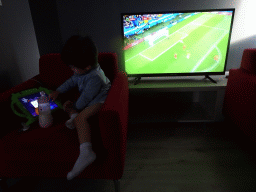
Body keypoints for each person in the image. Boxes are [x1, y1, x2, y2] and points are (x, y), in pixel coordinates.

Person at [49, 35, 111, 180]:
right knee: (72, 109)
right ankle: (74, 117)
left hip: (102, 100)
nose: (71, 69)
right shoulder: (82, 70)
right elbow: (72, 81)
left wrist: (75, 107)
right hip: (91, 99)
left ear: (87, 66)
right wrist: (58, 90)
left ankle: (86, 152)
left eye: (73, 67)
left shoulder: (95, 77)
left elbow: (87, 98)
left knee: (81, 118)